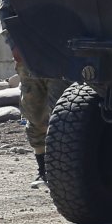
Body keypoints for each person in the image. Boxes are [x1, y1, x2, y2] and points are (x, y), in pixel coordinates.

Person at [10, 38, 66, 182]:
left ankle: (63, 170)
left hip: (59, 57)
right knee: (34, 115)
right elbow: (6, 16)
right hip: (28, 56)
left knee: (61, 115)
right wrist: (13, 43)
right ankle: (43, 170)